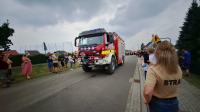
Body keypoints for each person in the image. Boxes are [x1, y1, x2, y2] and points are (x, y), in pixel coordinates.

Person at [144, 41, 182, 112]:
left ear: (157, 53)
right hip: (174, 103)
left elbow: (147, 92)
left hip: (158, 104)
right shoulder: (178, 68)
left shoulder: (153, 69)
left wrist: (147, 100)